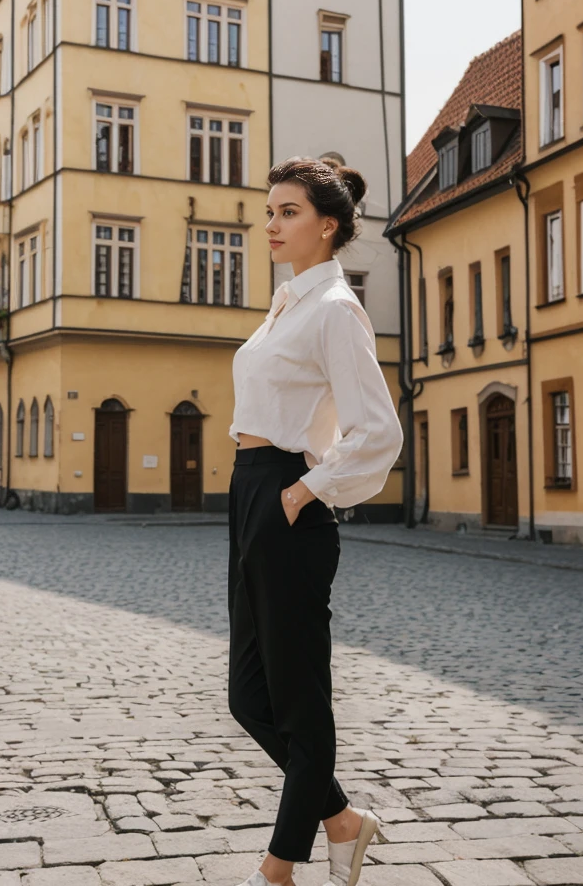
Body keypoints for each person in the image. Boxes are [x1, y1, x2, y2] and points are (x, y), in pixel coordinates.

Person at [228, 158, 404, 886]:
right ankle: (340, 820)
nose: (271, 224)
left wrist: (304, 493)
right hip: (251, 495)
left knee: (299, 698)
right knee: (249, 697)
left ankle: (278, 868)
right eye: (269, 211)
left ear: (326, 225)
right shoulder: (287, 305)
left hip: (285, 498)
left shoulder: (334, 308)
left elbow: (377, 430)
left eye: (288, 212)